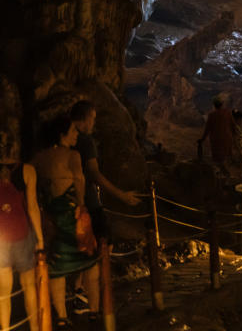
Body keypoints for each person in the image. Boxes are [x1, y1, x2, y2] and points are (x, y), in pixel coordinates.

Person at [69, 101, 140, 320]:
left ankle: (78, 294)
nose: (94, 122)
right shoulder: (85, 142)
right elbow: (94, 173)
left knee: (82, 245)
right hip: (89, 201)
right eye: (92, 117)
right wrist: (122, 195)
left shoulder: (62, 141)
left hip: (69, 201)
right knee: (102, 245)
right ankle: (91, 300)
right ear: (83, 119)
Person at [33, 116, 98, 327]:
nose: (76, 134)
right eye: (72, 131)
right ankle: (94, 312)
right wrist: (82, 207)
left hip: (50, 217)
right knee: (91, 261)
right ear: (62, 135)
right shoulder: (73, 155)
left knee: (56, 267)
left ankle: (61, 316)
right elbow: (79, 182)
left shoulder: (38, 158)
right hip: (71, 215)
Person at [0, 133, 43, 331]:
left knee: (3, 292)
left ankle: (5, 328)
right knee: (29, 287)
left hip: (1, 237)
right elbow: (32, 207)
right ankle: (35, 328)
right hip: (22, 233)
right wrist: (40, 240)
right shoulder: (27, 170)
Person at [197, 96, 237, 171]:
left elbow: (207, 129)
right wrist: (234, 137)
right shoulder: (227, 113)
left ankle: (223, 175)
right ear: (222, 104)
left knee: (218, 160)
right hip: (227, 139)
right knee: (226, 158)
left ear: (214, 105)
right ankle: (226, 174)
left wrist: (202, 139)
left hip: (216, 141)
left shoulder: (212, 115)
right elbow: (233, 125)